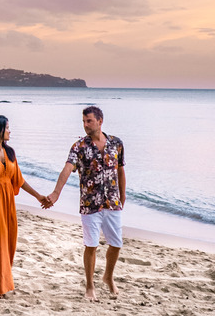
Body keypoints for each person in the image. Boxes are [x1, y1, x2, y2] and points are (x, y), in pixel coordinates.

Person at [44, 106, 126, 301]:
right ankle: (90, 286)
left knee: (116, 244)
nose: (85, 125)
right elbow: (67, 168)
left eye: (89, 121)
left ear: (100, 121)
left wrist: (123, 197)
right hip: (90, 205)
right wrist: (56, 193)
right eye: (83, 121)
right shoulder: (79, 146)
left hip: (112, 203)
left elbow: (121, 170)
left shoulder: (116, 143)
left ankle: (108, 277)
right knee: (91, 245)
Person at [0, 115, 49, 298]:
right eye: (7, 128)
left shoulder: (10, 152)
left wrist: (38, 196)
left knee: (7, 241)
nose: (10, 131)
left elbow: (18, 180)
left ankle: (1, 283)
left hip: (7, 204)